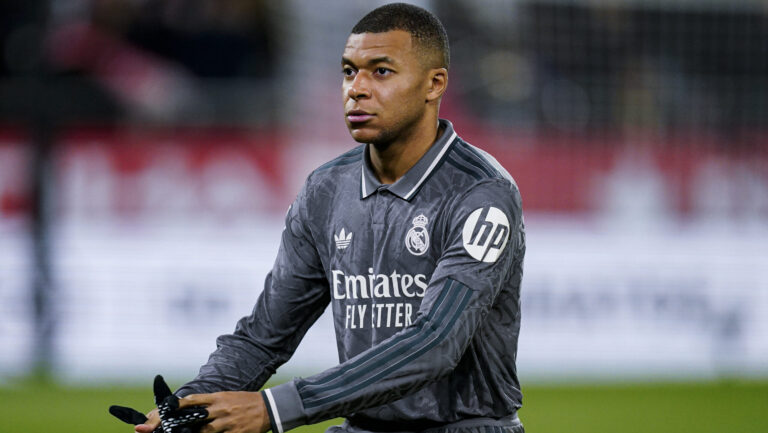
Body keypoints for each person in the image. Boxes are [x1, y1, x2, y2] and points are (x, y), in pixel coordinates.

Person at [135, 3, 525, 433]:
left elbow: (434, 343)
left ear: (434, 84)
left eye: (380, 72)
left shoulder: (481, 193)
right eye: (348, 71)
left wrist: (275, 408)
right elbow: (265, 334)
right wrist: (192, 403)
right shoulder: (326, 189)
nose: (356, 88)